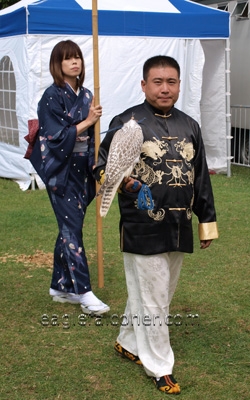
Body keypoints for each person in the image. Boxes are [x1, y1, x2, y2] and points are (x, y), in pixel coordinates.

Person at [93, 55, 218, 393]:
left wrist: (207, 221)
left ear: (178, 85)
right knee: (154, 299)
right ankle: (160, 366)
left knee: (155, 295)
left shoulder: (190, 125)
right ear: (144, 84)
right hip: (142, 224)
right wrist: (126, 184)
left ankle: (128, 342)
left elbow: (200, 176)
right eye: (158, 82)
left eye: (171, 82)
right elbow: (101, 168)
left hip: (180, 223)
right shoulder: (126, 123)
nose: (165, 88)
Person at [30, 40, 109, 315]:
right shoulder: (51, 96)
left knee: (69, 227)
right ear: (58, 64)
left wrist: (97, 167)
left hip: (82, 169)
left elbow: (93, 140)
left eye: (77, 57)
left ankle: (60, 285)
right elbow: (53, 137)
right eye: (68, 59)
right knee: (71, 229)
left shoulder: (87, 95)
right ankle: (84, 292)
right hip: (60, 170)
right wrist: (87, 122)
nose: (75, 62)